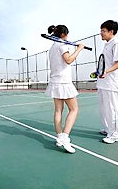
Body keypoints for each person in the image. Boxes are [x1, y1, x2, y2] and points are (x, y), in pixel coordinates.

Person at [45, 25, 85, 153]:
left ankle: (59, 137)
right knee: (74, 109)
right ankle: (65, 137)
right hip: (63, 82)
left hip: (55, 81)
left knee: (58, 111)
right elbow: (68, 60)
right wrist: (79, 49)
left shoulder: (52, 48)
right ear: (63, 35)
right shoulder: (62, 45)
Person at [96, 20, 118, 144]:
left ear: (111, 32)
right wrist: (100, 71)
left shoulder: (117, 44)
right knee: (104, 108)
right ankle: (108, 129)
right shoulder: (107, 44)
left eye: (103, 31)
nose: (101, 33)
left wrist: (106, 72)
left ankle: (114, 134)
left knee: (112, 108)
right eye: (101, 31)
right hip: (103, 82)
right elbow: (106, 63)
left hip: (112, 83)